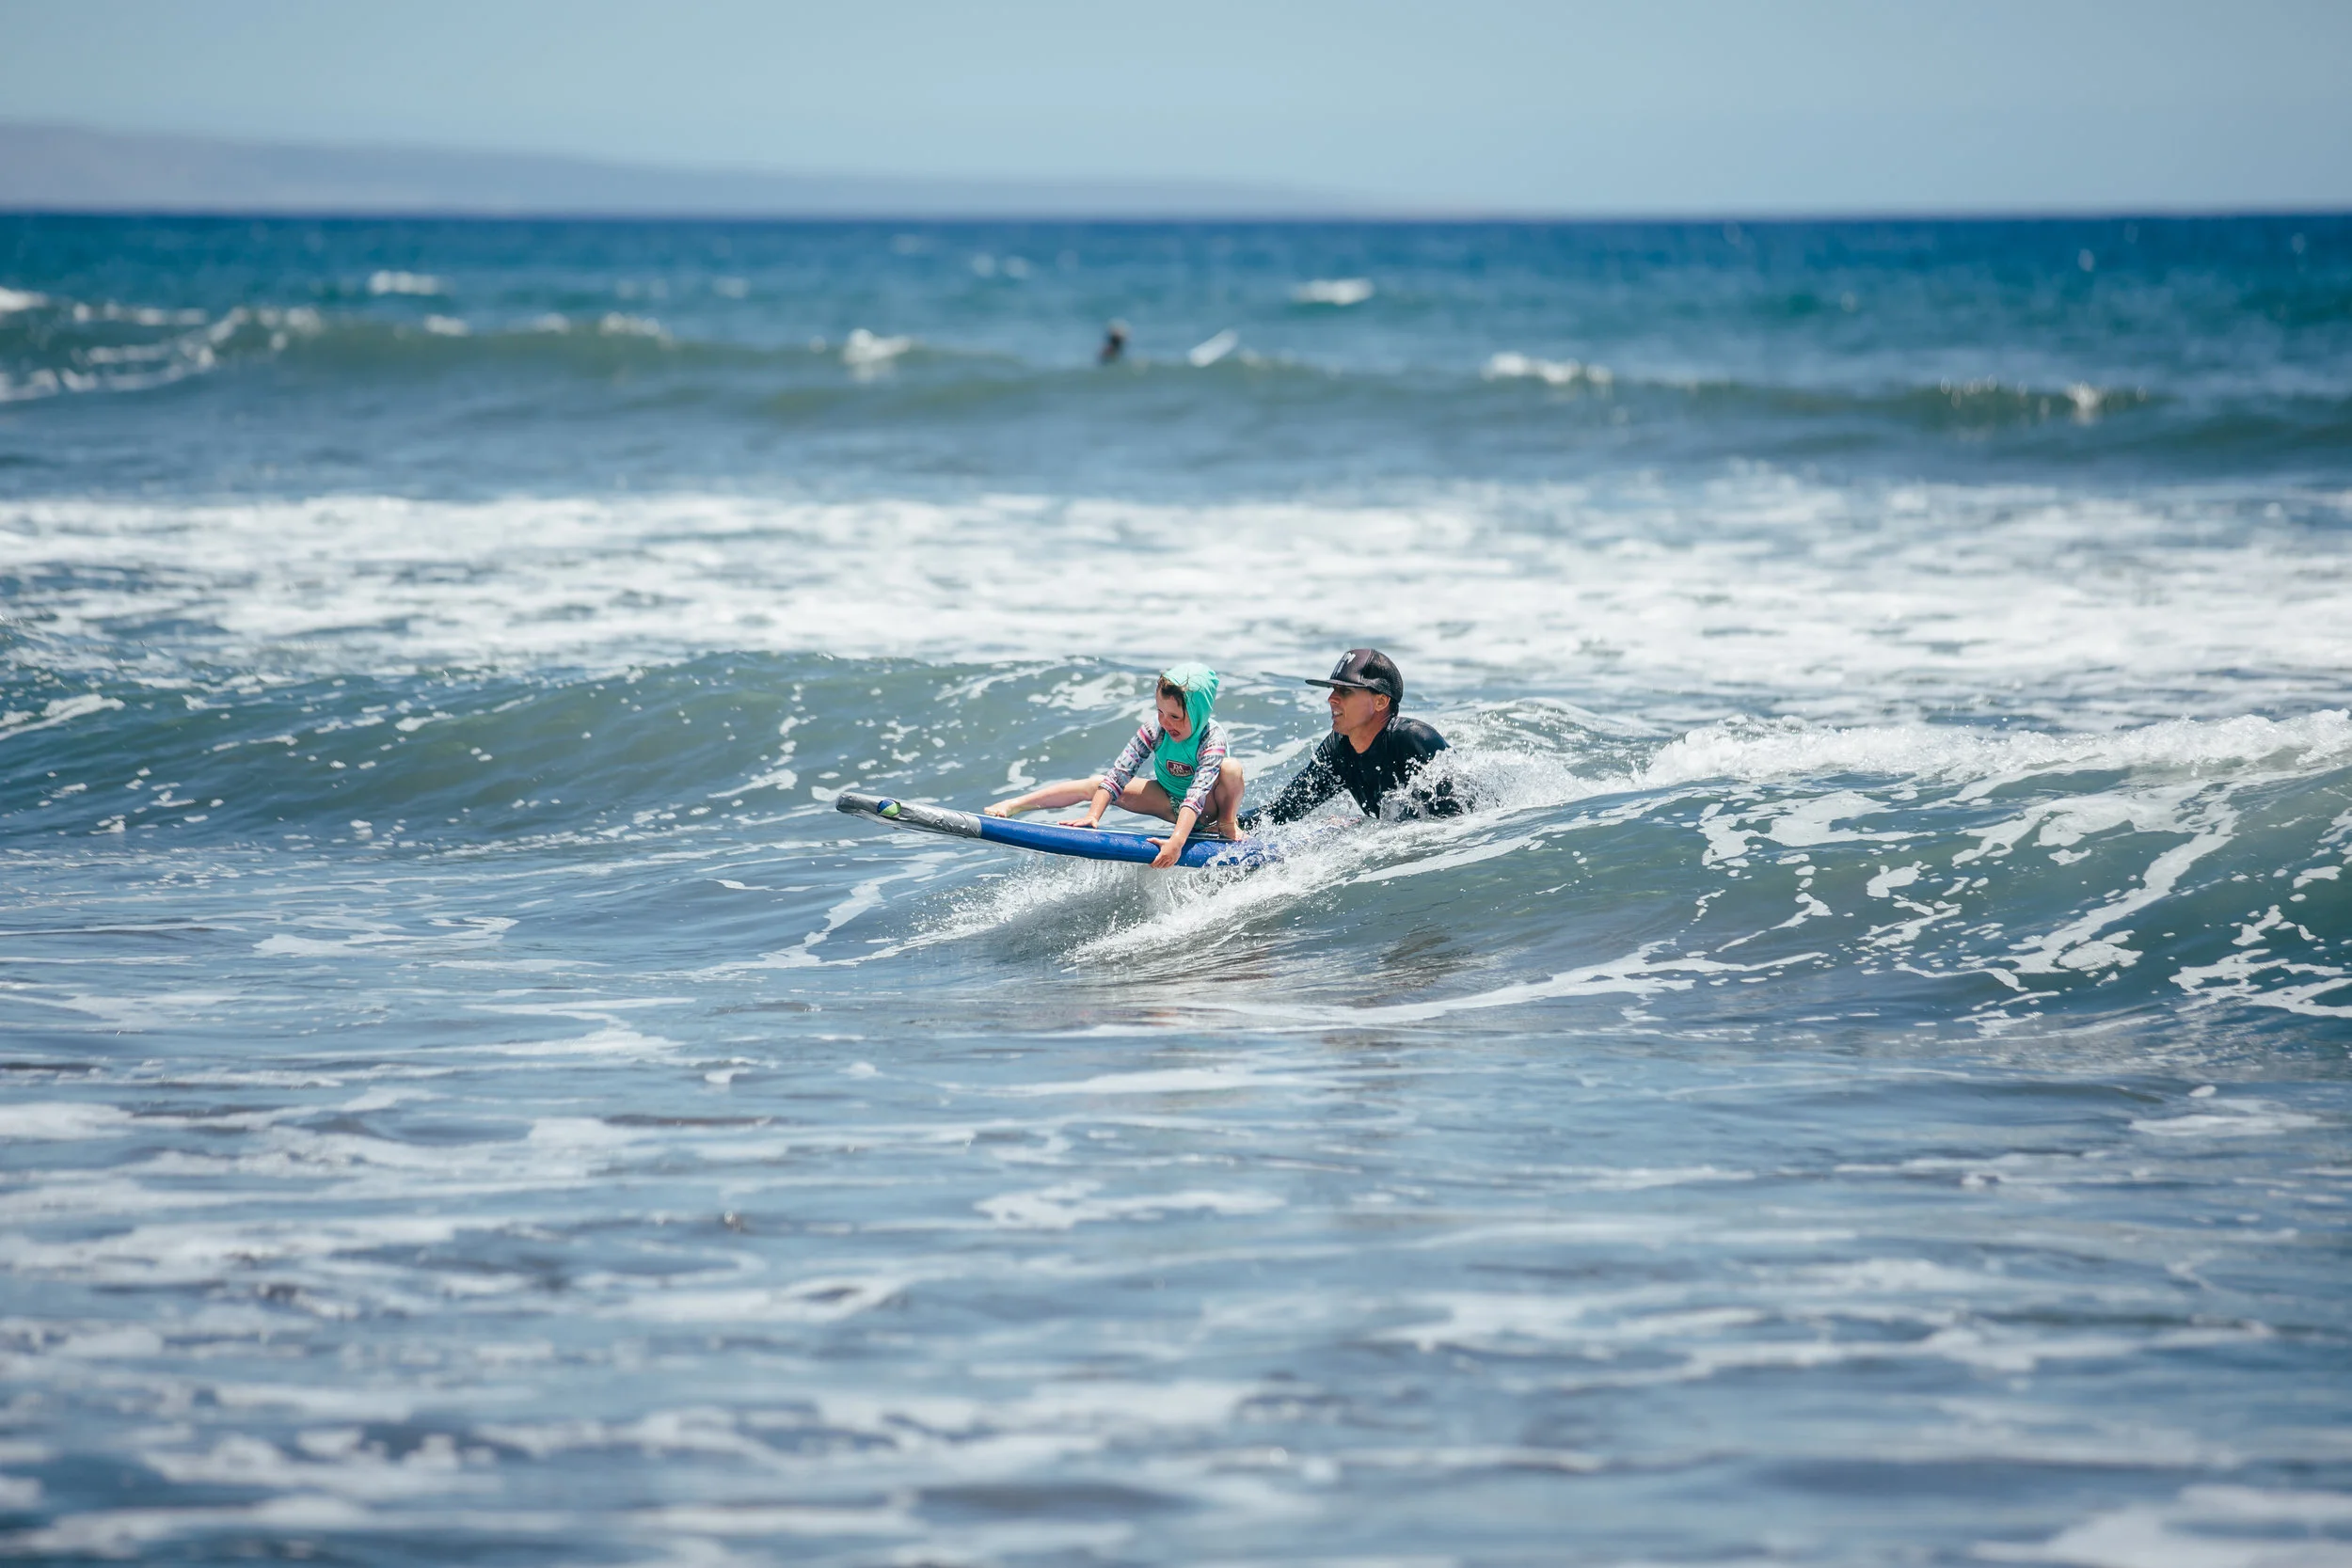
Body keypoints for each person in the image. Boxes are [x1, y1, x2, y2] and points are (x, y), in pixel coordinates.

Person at [985, 663, 1244, 868]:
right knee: (1095, 784)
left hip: (1206, 809)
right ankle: (1013, 805)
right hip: (1168, 800)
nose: (1166, 722)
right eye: (1160, 712)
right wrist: (1092, 816)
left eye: (1175, 716)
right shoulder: (1156, 730)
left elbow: (1197, 794)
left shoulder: (1212, 739)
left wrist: (1177, 841)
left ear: (1198, 712)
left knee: (1231, 769)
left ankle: (1227, 824)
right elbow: (1119, 774)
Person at [1246, 647, 1463, 827]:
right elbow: (1283, 811)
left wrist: (1362, 826)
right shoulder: (1338, 748)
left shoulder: (1414, 740)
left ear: (1380, 702)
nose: (1331, 698)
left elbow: (1454, 824)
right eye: (1333, 689)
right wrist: (1226, 822)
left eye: (1345, 691)